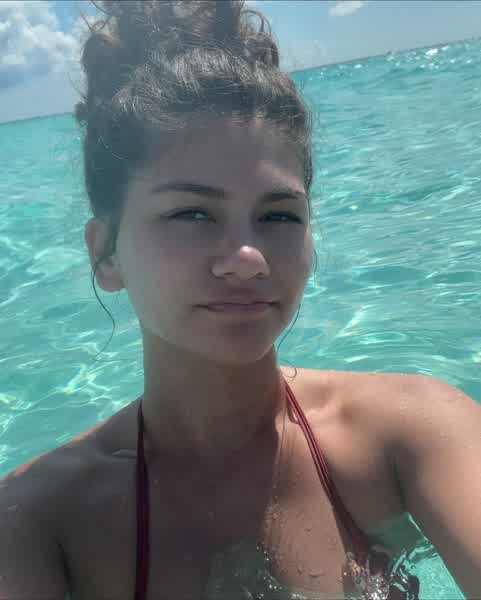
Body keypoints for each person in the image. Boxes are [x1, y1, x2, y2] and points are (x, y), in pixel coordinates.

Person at [1, 1, 480, 599]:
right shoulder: (39, 523)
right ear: (106, 254)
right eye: (192, 213)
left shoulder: (412, 434)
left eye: (279, 215)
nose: (248, 257)